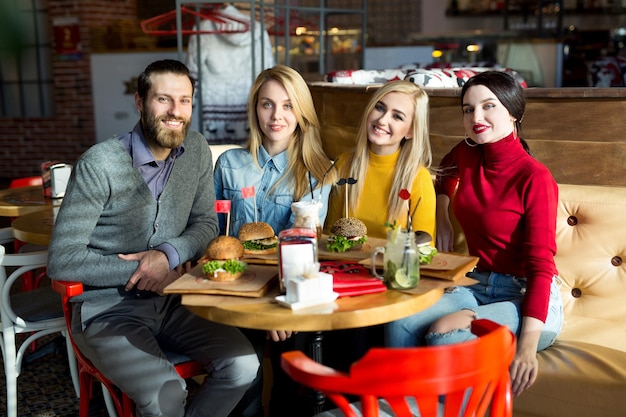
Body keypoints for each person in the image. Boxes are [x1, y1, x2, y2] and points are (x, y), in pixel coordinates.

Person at [47, 59, 259, 417]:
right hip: (108, 311)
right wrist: (144, 270)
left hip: (176, 300)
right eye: (163, 99)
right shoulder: (99, 164)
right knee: (168, 394)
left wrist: (166, 255)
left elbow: (205, 224)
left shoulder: (196, 150)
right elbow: (62, 259)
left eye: (185, 100)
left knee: (244, 366)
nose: (176, 111)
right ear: (140, 102)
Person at [385, 71, 564, 397]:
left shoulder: (535, 178)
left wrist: (527, 349)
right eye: (468, 109)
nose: (476, 117)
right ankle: (401, 405)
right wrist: (442, 214)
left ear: (513, 112)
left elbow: (541, 267)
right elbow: (445, 172)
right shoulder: (468, 152)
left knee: (444, 333)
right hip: (478, 282)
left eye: (488, 106)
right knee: (400, 320)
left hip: (528, 299)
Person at [213, 65, 336, 417]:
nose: (277, 115)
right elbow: (214, 234)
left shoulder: (319, 172)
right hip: (236, 289)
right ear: (255, 108)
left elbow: (304, 249)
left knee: (292, 382)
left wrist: (277, 305)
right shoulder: (229, 164)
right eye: (267, 104)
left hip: (286, 291)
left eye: (287, 105)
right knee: (242, 382)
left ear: (301, 111)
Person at [324, 80, 436, 240]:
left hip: (393, 264)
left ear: (411, 131)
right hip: (345, 263)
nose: (382, 120)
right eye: (380, 107)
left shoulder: (419, 178)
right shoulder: (344, 164)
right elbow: (330, 233)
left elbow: (424, 247)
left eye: (397, 116)